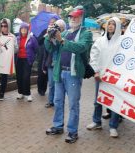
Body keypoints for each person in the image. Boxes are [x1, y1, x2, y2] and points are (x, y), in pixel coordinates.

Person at [44, 6, 93, 144]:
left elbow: (80, 47)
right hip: (60, 72)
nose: (73, 19)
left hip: (73, 74)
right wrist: (49, 37)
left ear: (81, 18)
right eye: (71, 17)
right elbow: (50, 48)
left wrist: (61, 40)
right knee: (58, 101)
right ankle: (58, 126)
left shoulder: (86, 33)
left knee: (73, 104)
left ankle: (72, 131)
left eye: (76, 17)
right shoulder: (65, 33)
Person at [86, 17, 122, 138]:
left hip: (115, 78)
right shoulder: (100, 41)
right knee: (97, 101)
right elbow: (94, 56)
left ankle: (113, 126)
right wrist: (95, 72)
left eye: (113, 24)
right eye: (109, 24)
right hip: (100, 76)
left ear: (117, 27)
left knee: (115, 102)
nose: (111, 26)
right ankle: (97, 122)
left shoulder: (122, 41)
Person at [0, 18, 18, 101]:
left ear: (8, 26)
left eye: (5, 26)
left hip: (6, 60)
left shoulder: (12, 37)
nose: (3, 27)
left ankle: (1, 94)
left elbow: (16, 49)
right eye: (2, 26)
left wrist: (11, 48)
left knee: (4, 77)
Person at [43, 19, 66, 108]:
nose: (58, 29)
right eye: (56, 27)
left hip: (61, 65)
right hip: (52, 64)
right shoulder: (51, 35)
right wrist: (48, 36)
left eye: (60, 28)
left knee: (59, 84)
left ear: (63, 28)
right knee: (51, 84)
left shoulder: (65, 36)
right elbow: (48, 49)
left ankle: (58, 101)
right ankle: (50, 101)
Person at [15, 22, 38, 102]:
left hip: (27, 60)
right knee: (19, 76)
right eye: (22, 29)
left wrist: (32, 58)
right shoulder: (17, 38)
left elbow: (36, 49)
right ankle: (20, 92)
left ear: (27, 30)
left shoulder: (32, 38)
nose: (23, 30)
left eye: (25, 28)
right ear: (20, 30)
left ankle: (28, 94)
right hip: (19, 60)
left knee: (26, 77)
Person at [36, 17, 57, 96]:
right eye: (50, 22)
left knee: (49, 73)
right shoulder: (44, 31)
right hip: (42, 53)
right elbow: (38, 41)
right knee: (41, 72)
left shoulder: (57, 32)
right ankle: (41, 89)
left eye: (53, 22)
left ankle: (49, 90)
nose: (51, 23)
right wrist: (46, 35)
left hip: (51, 54)